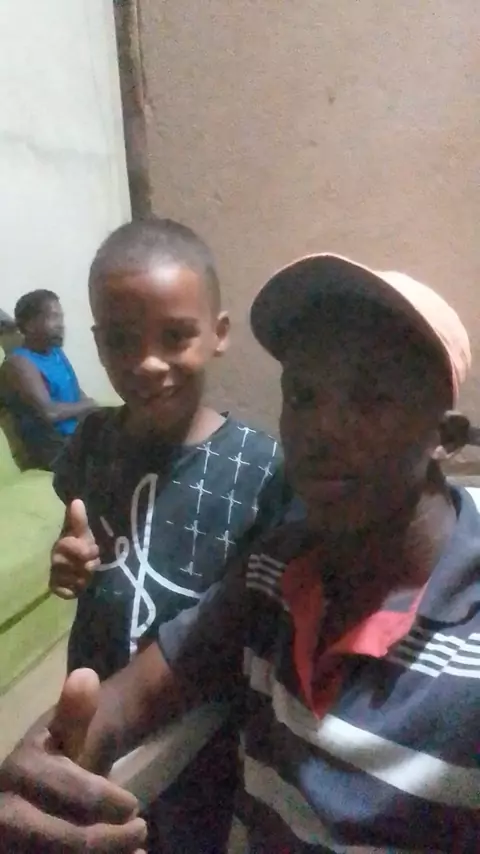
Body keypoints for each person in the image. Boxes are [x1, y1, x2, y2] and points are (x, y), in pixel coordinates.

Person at [2, 253, 480, 853]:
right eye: (302, 396)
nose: (322, 429)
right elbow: (132, 697)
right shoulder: (272, 571)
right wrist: (42, 769)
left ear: (445, 437)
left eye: (371, 399)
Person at [48, 217, 286, 852]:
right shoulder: (92, 443)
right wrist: (67, 562)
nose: (148, 363)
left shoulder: (261, 467)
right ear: (98, 344)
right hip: (98, 700)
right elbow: (80, 542)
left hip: (206, 723)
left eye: (176, 336)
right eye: (122, 341)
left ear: (218, 334)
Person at [0, 290, 96, 469]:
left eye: (61, 317)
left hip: (76, 438)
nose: (61, 325)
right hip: (53, 451)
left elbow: (77, 393)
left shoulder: (56, 353)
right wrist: (89, 405)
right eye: (53, 317)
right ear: (29, 325)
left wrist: (93, 410)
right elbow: (50, 413)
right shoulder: (19, 364)